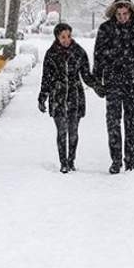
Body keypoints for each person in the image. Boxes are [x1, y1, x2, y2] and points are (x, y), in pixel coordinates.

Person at [93, 0, 134, 174]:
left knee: (131, 122)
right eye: (119, 14)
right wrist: (97, 80)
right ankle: (115, 160)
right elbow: (99, 56)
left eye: (125, 13)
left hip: (133, 81)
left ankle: (130, 161)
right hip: (113, 81)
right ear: (114, 12)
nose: (122, 17)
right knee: (113, 122)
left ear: (131, 12)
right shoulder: (106, 29)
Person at [38, 23, 96, 173]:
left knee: (74, 131)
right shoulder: (51, 54)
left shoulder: (79, 52)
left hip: (75, 96)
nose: (66, 39)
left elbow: (86, 76)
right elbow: (46, 78)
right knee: (62, 131)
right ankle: (63, 162)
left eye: (68, 36)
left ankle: (71, 161)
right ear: (57, 37)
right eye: (62, 37)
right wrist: (42, 97)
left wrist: (100, 87)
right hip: (58, 96)